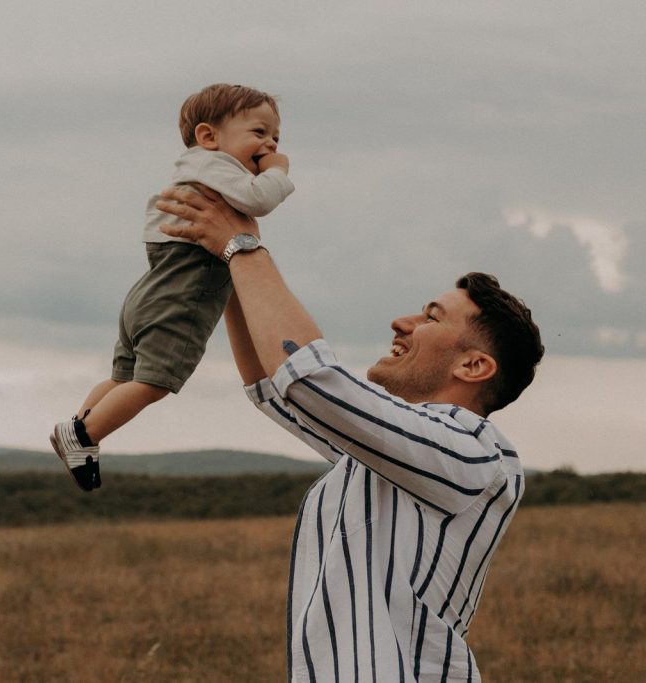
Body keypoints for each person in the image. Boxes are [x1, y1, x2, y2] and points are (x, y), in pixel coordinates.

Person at [155, 186, 544, 682]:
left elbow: (311, 381)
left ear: (473, 365)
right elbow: (278, 387)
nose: (400, 323)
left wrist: (243, 245)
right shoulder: (393, 455)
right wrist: (223, 265)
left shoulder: (474, 452)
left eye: (430, 317)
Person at [51, 83, 295, 491]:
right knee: (155, 382)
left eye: (276, 137)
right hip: (179, 299)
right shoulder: (218, 168)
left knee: (124, 378)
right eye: (259, 133)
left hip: (149, 293)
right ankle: (84, 435)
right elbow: (260, 201)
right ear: (208, 137)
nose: (270, 143)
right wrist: (278, 171)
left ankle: (79, 434)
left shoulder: (191, 176)